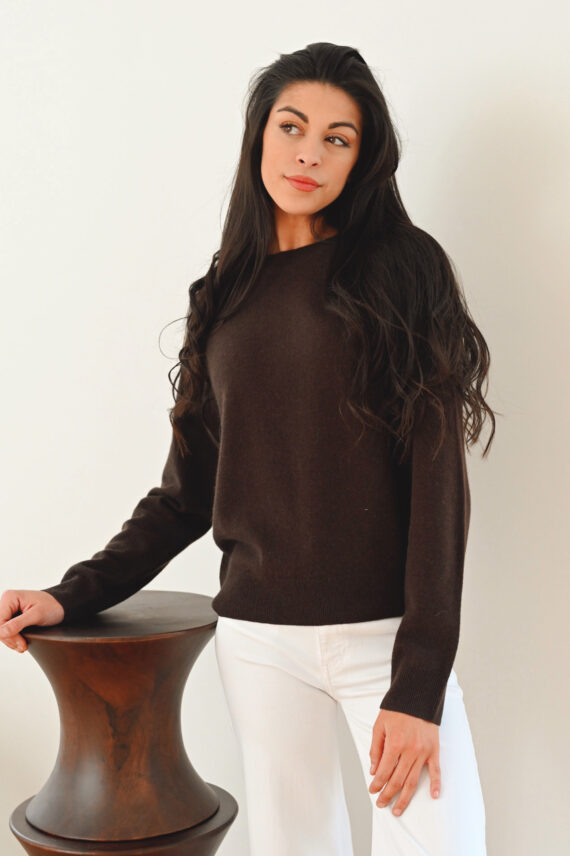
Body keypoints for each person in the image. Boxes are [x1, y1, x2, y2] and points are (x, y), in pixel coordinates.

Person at [0, 42, 495, 856]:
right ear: (259, 134)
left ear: (362, 159)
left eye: (337, 138)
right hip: (260, 641)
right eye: (291, 126)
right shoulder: (223, 293)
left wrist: (420, 680)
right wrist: (71, 594)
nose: (309, 153)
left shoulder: (404, 271)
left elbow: (438, 488)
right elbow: (186, 495)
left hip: (387, 639)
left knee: (443, 842)